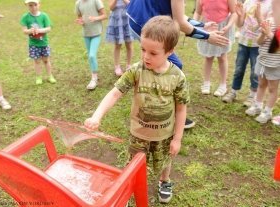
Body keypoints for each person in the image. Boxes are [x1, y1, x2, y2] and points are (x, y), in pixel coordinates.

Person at [84, 16, 189, 204]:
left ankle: (165, 181)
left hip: (165, 135)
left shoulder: (177, 77)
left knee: (165, 160)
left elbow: (181, 108)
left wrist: (177, 139)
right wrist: (96, 115)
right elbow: (115, 93)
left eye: (153, 53)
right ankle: (129, 184)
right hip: (138, 134)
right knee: (133, 164)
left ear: (170, 51)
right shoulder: (136, 70)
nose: (146, 56)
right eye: (142, 49)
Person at [126, 0, 229, 129]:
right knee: (171, 66)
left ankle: (156, 106)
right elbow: (180, 23)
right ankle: (163, 111)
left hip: (137, 17)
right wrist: (207, 36)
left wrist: (202, 25)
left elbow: (177, 15)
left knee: (165, 66)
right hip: (142, 22)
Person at [222, 0, 272, 106]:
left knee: (255, 72)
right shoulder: (248, 2)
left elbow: (267, 28)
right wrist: (240, 15)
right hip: (243, 42)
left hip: (258, 45)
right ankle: (233, 92)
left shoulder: (270, 5)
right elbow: (240, 24)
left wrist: (259, 16)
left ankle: (252, 96)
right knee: (238, 69)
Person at [194, 0, 237, 97]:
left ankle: (223, 85)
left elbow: (234, 13)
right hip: (207, 28)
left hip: (223, 27)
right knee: (208, 57)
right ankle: (206, 83)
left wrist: (228, 26)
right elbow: (197, 12)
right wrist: (195, 25)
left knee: (222, 57)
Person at [245, 17, 280, 124]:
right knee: (261, 84)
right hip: (262, 60)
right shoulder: (270, 20)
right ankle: (257, 105)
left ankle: (268, 112)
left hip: (275, 64)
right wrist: (264, 34)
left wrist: (269, 33)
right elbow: (259, 42)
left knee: (272, 89)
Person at [20, 0, 56, 85]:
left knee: (46, 60)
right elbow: (24, 31)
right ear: (27, 6)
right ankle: (38, 77)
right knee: (37, 61)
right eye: (30, 5)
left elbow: (48, 28)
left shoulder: (44, 16)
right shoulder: (25, 17)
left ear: (39, 4)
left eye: (35, 5)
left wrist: (39, 30)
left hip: (44, 43)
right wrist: (30, 31)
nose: (33, 7)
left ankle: (50, 76)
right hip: (33, 44)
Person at [75, 0, 107, 90]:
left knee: (92, 55)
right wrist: (80, 21)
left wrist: (95, 18)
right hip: (86, 34)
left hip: (96, 33)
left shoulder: (96, 1)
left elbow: (105, 15)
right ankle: (94, 75)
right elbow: (80, 17)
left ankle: (94, 79)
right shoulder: (78, 3)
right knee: (90, 56)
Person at [105, 0, 135, 77]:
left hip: (127, 21)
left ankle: (129, 65)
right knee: (117, 45)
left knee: (129, 44)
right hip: (117, 21)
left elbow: (132, 5)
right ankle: (117, 67)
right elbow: (111, 8)